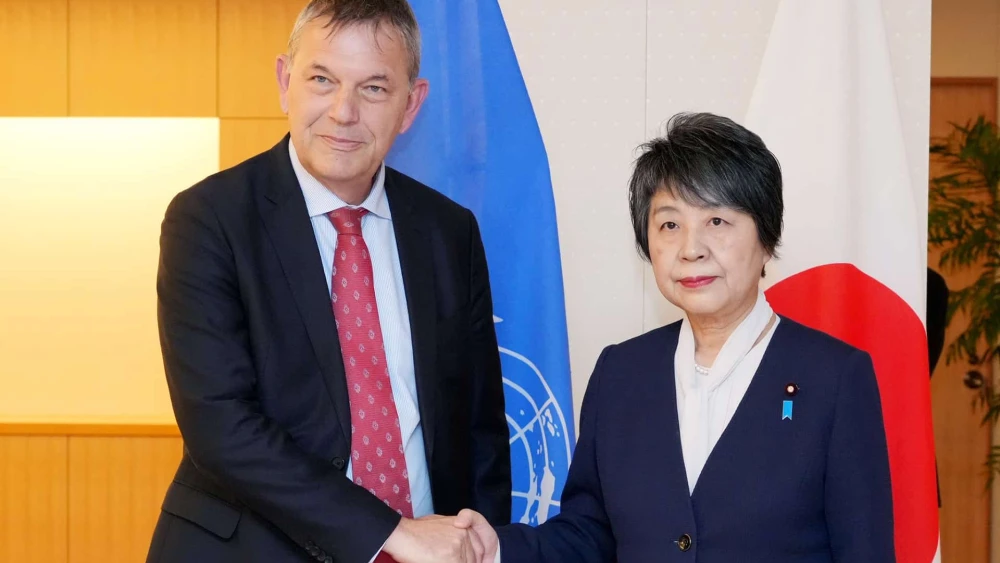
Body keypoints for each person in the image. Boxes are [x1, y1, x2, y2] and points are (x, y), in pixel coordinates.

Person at [145, 1, 510, 562]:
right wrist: (392, 532)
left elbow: (479, 426)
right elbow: (221, 426)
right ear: (285, 81)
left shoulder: (448, 231)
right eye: (322, 79)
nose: (343, 112)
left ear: (411, 105)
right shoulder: (208, 220)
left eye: (373, 89)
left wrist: (479, 541)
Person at [452, 112, 895, 562]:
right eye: (669, 225)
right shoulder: (620, 373)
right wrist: (496, 549)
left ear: (766, 236)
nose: (691, 248)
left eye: (717, 222)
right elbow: (590, 536)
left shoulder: (835, 378)